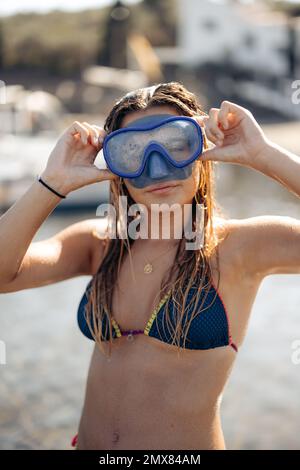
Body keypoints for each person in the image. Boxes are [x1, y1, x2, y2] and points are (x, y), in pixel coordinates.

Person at [0, 82, 299, 451]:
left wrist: (262, 154)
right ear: (116, 166)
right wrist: (52, 182)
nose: (157, 167)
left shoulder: (239, 248)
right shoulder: (99, 245)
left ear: (200, 149)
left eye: (176, 145)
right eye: (132, 152)